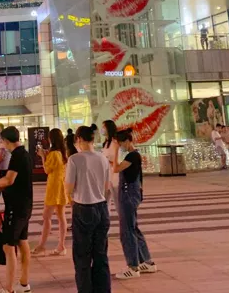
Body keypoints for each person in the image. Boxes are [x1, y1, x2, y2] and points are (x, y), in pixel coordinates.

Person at [65, 126, 111, 293]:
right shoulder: (102, 158)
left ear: (78, 139)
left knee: (82, 257)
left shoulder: (74, 159)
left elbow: (69, 188)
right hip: (102, 208)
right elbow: (107, 188)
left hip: (83, 207)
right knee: (100, 255)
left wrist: (72, 201)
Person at [0, 126, 33, 293]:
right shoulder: (25, 154)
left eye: (2, 141)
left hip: (16, 207)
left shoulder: (17, 155)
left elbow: (9, 180)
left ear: (6, 141)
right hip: (25, 205)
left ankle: (9, 288)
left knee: (8, 247)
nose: (2, 144)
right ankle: (24, 284)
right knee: (22, 242)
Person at [112, 129, 156, 279]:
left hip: (128, 195)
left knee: (127, 231)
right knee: (133, 228)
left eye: (120, 144)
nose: (119, 146)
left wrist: (115, 151)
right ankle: (147, 262)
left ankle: (133, 267)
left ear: (126, 141)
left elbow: (116, 168)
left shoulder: (132, 155)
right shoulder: (133, 155)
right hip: (131, 194)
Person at [32, 127, 68, 256]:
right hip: (61, 186)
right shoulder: (63, 153)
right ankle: (61, 246)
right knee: (61, 216)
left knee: (46, 216)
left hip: (53, 187)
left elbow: (47, 169)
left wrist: (42, 156)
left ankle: (42, 246)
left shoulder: (53, 154)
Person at [100, 120, 119, 213]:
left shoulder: (115, 143)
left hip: (114, 175)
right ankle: (105, 219)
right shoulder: (106, 143)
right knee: (104, 200)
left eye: (103, 127)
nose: (102, 129)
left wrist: (108, 161)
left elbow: (117, 160)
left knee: (117, 201)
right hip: (106, 175)